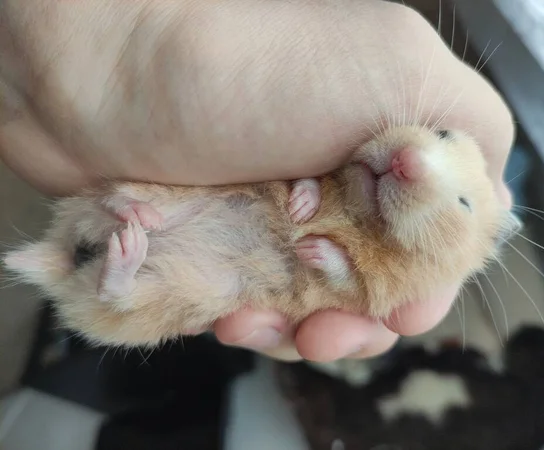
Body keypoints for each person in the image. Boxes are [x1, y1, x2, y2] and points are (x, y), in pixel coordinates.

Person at [0, 0, 514, 362]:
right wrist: (313, 189)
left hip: (231, 266)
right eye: (442, 137)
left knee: (197, 291)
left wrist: (338, 264)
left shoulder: (407, 274)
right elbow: (303, 189)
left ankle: (118, 283)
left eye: (464, 203)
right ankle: (110, 256)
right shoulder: (350, 147)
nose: (419, 161)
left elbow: (358, 288)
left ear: (477, 249)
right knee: (178, 205)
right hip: (213, 208)